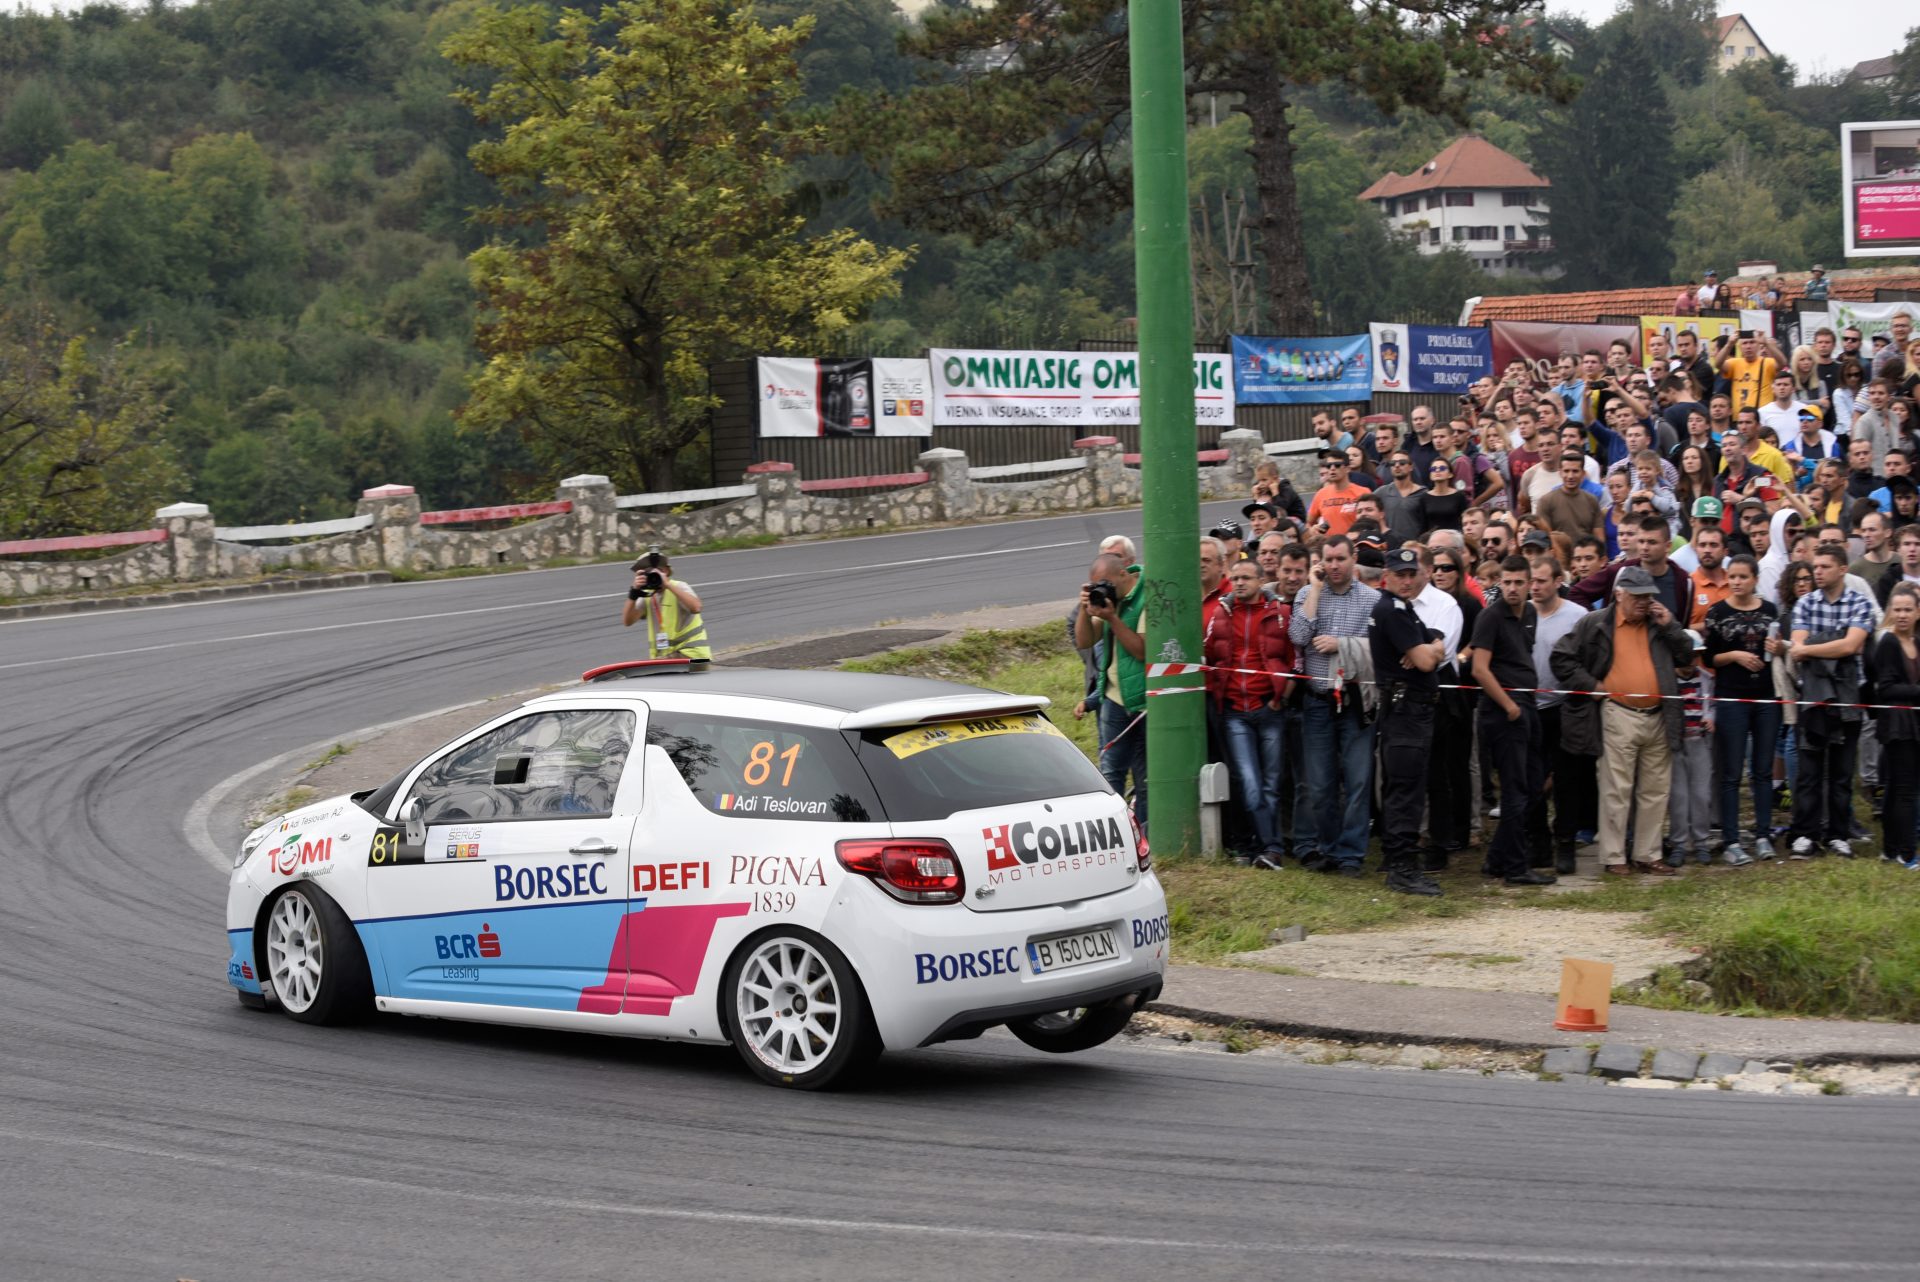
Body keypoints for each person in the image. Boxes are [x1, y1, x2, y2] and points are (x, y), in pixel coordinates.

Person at [1551, 565, 1694, 876]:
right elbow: (1561, 656)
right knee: (1617, 788)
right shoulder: (1595, 622)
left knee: (1656, 789)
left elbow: (1686, 658)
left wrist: (1671, 626)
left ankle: (1648, 853)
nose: (1645, 602)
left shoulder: (1660, 623)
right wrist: (1592, 685)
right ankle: (1614, 856)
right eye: (1638, 596)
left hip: (1659, 714)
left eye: (1649, 596)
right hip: (1618, 712)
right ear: (1619, 594)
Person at [1289, 536, 1381, 875]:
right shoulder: (1306, 594)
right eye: (1328, 560)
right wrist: (1313, 589)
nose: (1334, 566)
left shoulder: (1372, 599)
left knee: (1358, 781)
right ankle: (1328, 847)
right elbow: (1298, 636)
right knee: (1320, 783)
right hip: (1317, 701)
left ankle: (1352, 855)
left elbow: (1382, 645)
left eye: (1340, 559)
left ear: (1353, 558)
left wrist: (1342, 644)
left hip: (1356, 702)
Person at [1204, 559, 1294, 869]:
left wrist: (1281, 696)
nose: (1240, 583)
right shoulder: (1221, 613)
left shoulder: (1280, 614)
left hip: (1269, 707)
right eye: (1236, 578)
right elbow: (1212, 656)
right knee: (1250, 782)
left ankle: (1268, 849)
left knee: (1271, 783)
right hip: (1234, 711)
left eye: (1246, 578)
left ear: (1260, 580)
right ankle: (1266, 847)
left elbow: (1293, 659)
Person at [1786, 543, 1874, 858]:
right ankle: (1805, 834)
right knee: (1809, 771)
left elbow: (1851, 646)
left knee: (1840, 772)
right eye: (1815, 566)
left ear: (1842, 569)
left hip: (1849, 697)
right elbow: (1796, 647)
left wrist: (1814, 648)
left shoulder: (1860, 604)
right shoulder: (1805, 604)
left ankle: (1838, 835)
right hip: (1812, 697)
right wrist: (1829, 646)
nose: (1816, 572)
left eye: (1824, 567)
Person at [1369, 547, 1448, 896]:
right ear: (1387, 574)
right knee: (1406, 792)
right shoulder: (1393, 611)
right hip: (1407, 712)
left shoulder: (1402, 610)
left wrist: (1431, 645)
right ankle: (1402, 868)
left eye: (1410, 573)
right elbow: (1428, 661)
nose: (1406, 579)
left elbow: (1435, 646)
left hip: (1407, 712)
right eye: (1399, 573)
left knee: (1402, 789)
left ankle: (1397, 860)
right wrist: (1428, 650)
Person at [1472, 555, 1554, 885]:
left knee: (1533, 786)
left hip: (1527, 703)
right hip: (1504, 708)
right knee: (1515, 790)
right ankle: (1516, 868)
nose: (1513, 588)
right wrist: (1508, 705)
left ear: (1530, 582)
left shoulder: (1531, 612)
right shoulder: (1490, 617)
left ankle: (1496, 860)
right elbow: (1479, 669)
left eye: (1519, 582)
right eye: (1506, 582)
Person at [1705, 554, 1783, 864]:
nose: (1737, 582)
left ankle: (1763, 835)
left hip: (1766, 697)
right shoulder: (1717, 612)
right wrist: (1735, 654)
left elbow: (1779, 647)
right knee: (1731, 772)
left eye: (1743, 577)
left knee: (1763, 771)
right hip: (1731, 697)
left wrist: (1779, 648)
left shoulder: (1770, 610)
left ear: (1754, 579)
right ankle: (1732, 839)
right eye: (1732, 577)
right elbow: (1709, 658)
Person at [1074, 552, 1149, 822]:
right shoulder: (1108, 600)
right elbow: (1084, 641)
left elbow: (1142, 650)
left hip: (1143, 703)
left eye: (1105, 583)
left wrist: (1113, 618)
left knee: (1145, 779)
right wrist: (1086, 609)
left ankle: (1144, 837)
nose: (1101, 589)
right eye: (1095, 585)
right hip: (1114, 698)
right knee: (1110, 773)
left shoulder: (1145, 596)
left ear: (1124, 574)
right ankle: (1115, 832)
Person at [1525, 555, 1587, 872]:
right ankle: (1539, 844)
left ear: (1558, 581)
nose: (1534, 587)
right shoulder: (1520, 613)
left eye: (1541, 581)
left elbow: (1588, 659)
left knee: (1566, 780)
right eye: (1531, 581)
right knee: (1531, 779)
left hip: (1564, 709)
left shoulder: (1578, 616)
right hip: (1529, 708)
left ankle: (1566, 842)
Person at [1869, 583, 1920, 869]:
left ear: (1917, 612)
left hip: (1914, 724)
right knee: (1906, 790)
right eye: (1897, 609)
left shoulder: (1918, 641)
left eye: (1907, 610)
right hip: (1897, 726)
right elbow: (1885, 689)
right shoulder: (1888, 642)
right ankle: (1907, 851)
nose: (1902, 615)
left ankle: (1890, 849)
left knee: (1896, 789)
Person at [1667, 633, 1715, 866]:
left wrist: (1710, 717)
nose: (1691, 663)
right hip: (1676, 744)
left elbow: (1712, 705)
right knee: (1678, 795)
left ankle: (1701, 841)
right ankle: (1678, 843)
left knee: (1701, 793)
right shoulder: (1667, 681)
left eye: (1695, 657)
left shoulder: (1705, 679)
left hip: (1699, 741)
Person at [620, 549, 710, 659]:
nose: (654, 576)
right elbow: (628, 621)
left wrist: (667, 584)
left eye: (658, 571)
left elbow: (696, 607)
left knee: (649, 671)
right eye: (648, 572)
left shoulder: (679, 587)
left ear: (666, 571)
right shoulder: (647, 596)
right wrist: (633, 593)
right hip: (668, 657)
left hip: (693, 655)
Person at [1535, 450, 1605, 545]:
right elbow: (1544, 538)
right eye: (1566, 471)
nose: (1570, 476)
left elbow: (1599, 538)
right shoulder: (1546, 501)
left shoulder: (1592, 501)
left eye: (1575, 471)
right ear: (1560, 473)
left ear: (1583, 474)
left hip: (1585, 556)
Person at [1307, 450, 1367, 538]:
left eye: (1337, 465)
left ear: (1347, 468)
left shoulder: (1363, 492)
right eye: (1329, 466)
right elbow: (1308, 523)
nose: (1332, 468)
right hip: (1329, 548)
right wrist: (1312, 530)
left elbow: (1372, 522)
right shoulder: (1321, 494)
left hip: (1355, 546)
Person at [1417, 455, 1468, 535]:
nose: (1437, 471)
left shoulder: (1459, 496)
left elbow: (1464, 522)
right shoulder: (1424, 497)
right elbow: (1423, 526)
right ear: (1430, 475)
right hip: (1432, 542)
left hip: (1454, 540)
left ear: (1450, 474)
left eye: (1442, 468)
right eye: (1433, 469)